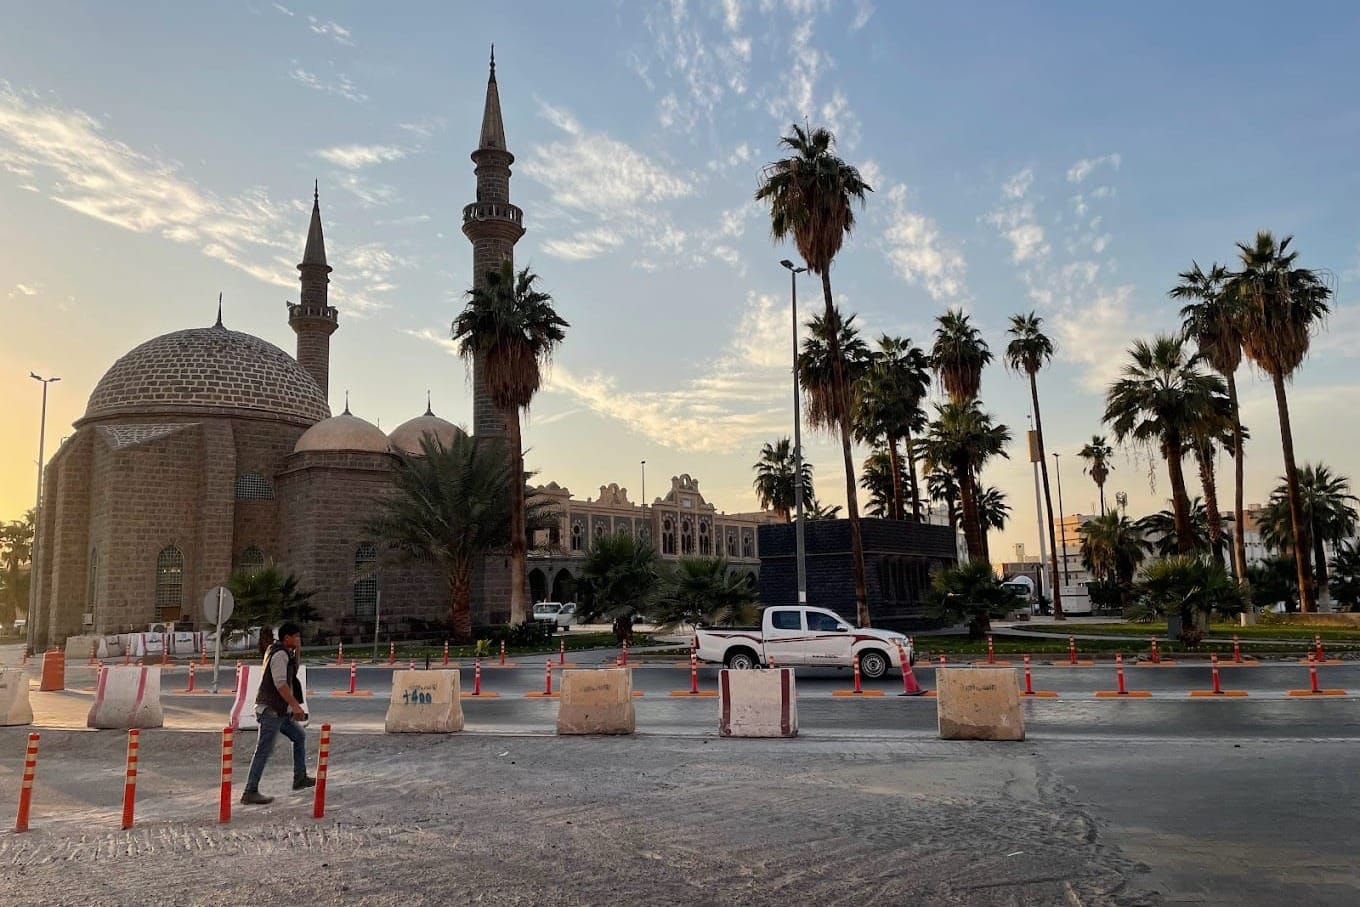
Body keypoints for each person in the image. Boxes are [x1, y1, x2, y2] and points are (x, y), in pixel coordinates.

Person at [241, 621, 314, 805]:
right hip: (271, 710)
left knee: (299, 736)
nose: (298, 639)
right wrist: (295, 705)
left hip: (279, 711)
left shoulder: (284, 652)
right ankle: (250, 790)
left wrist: (298, 651)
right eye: (296, 636)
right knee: (264, 750)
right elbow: (280, 683)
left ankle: (300, 778)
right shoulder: (279, 654)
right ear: (287, 637)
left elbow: (294, 670)